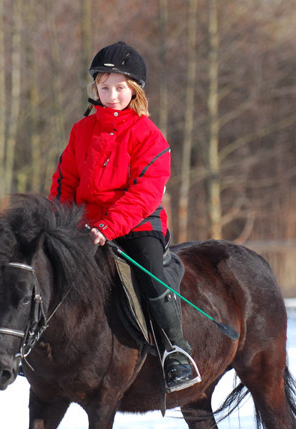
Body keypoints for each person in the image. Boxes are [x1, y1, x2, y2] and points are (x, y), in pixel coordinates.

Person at [49, 41, 199, 392]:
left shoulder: (149, 136)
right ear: (94, 89)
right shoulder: (81, 131)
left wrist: (107, 227)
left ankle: (175, 351)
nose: (112, 95)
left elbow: (146, 193)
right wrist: (62, 222)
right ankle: (39, 353)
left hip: (136, 224)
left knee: (150, 275)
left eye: (119, 88)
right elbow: (65, 181)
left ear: (134, 91)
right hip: (84, 225)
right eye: (104, 87)